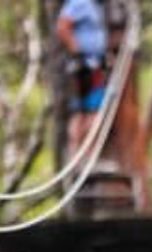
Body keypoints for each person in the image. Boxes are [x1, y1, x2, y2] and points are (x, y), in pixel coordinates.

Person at [57, 0, 109, 157]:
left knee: (94, 111)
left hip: (95, 65)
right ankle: (76, 154)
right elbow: (62, 27)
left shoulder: (96, 6)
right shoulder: (79, 2)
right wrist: (77, 52)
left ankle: (88, 155)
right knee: (79, 111)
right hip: (83, 65)